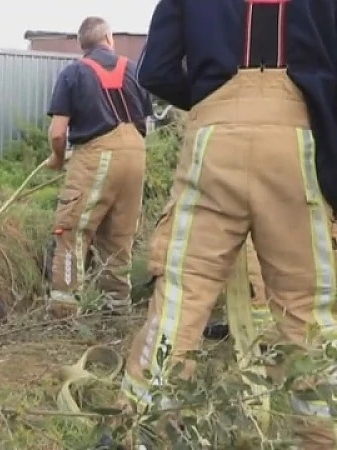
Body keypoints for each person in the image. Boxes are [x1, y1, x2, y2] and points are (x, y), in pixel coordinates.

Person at [112, 0, 337, 447]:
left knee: (181, 296)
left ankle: (143, 430)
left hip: (212, 141)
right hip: (297, 142)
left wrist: (213, 100)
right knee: (309, 310)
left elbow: (155, 71)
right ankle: (321, 435)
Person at [44, 16, 153, 317]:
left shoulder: (74, 72)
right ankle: (117, 309)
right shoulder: (134, 69)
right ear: (108, 39)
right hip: (136, 156)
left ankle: (64, 313)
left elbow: (57, 133)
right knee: (120, 236)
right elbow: (145, 119)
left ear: (83, 45)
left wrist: (56, 157)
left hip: (96, 155)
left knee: (72, 231)